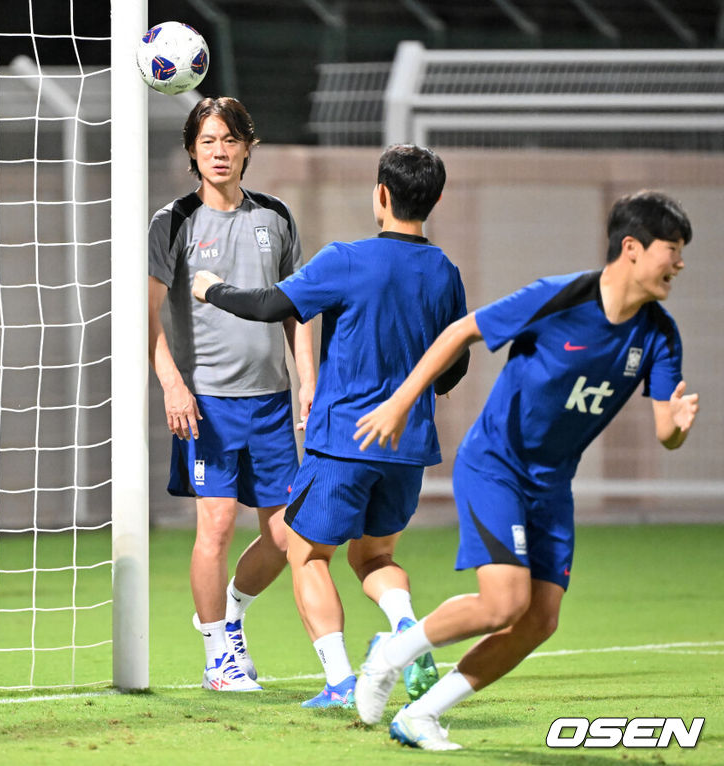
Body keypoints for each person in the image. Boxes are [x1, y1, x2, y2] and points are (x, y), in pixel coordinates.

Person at [351, 190, 699, 750]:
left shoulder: (659, 334)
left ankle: (422, 715)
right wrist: (399, 402)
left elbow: (666, 434)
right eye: (673, 249)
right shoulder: (561, 298)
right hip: (495, 467)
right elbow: (460, 332)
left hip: (552, 485)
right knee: (503, 603)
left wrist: (678, 424)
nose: (680, 263)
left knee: (540, 620)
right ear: (631, 248)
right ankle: (390, 654)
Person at [193, 144, 470, 708]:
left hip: (344, 441)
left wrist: (209, 289)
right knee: (375, 558)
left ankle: (342, 681)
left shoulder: (347, 259)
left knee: (307, 554)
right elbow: (454, 364)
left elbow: (272, 305)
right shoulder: (444, 271)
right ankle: (407, 632)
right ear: (435, 200)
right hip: (408, 447)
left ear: (382, 194)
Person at [148, 96, 316, 691]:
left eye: (229, 140)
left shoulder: (276, 216)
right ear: (192, 151)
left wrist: (307, 385)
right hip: (206, 404)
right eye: (207, 141)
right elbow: (148, 319)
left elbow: (296, 312)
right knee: (215, 529)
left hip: (270, 401)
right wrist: (172, 385)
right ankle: (216, 654)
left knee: (284, 535)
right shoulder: (173, 221)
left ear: (249, 146)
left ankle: (231, 613)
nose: (219, 152)